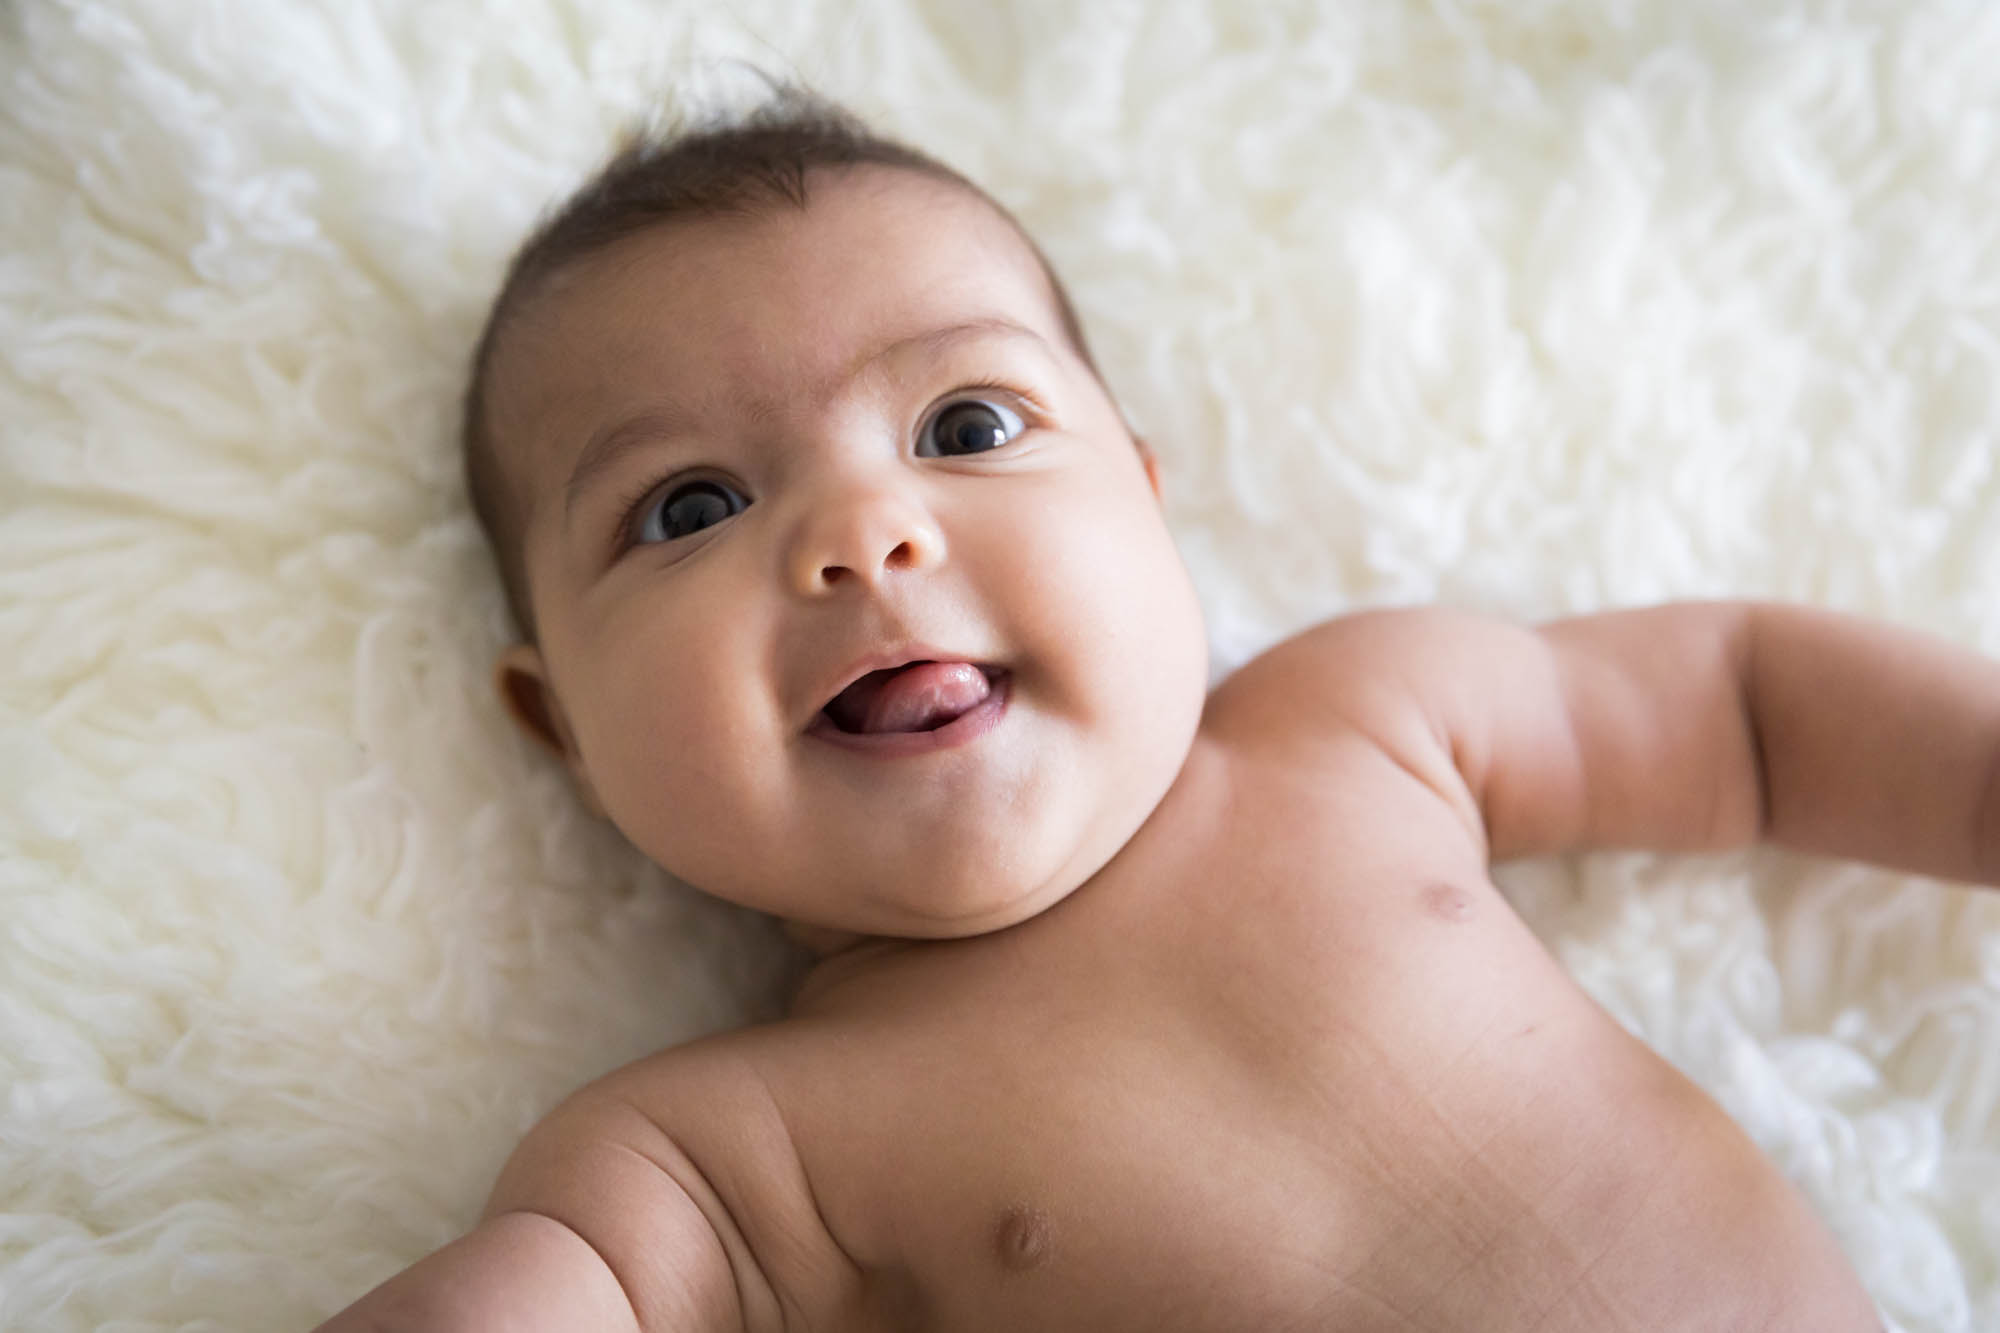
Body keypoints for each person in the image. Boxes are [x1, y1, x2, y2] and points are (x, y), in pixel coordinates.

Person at [313, 85, 1989, 1330]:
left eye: (965, 426)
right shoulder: (730, 1147)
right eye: (688, 508)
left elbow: (1747, 705)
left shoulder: (1354, 725)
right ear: (569, 736)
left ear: (1144, 492)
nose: (862, 533)